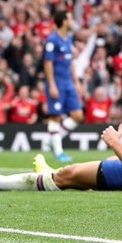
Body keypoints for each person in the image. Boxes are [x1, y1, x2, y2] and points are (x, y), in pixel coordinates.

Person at [44, 10, 84, 162]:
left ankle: (53, 140)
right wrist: (52, 85)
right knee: (56, 116)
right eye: (70, 19)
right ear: (64, 21)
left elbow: (70, 61)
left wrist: (76, 81)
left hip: (68, 82)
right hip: (57, 82)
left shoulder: (69, 38)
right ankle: (59, 151)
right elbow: (48, 63)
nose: (72, 22)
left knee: (78, 116)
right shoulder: (52, 40)